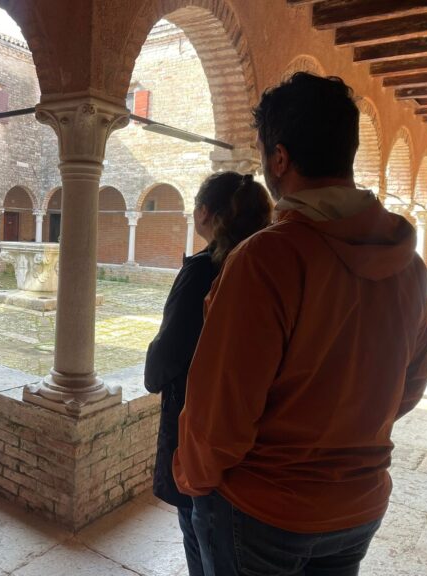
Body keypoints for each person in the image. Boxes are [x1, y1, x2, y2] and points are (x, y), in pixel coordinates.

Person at [173, 72, 427, 575]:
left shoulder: (267, 258)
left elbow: (220, 411)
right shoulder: (409, 265)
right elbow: (410, 384)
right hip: (357, 504)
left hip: (262, 511)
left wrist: (193, 479)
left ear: (280, 158)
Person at [145, 172, 272, 576]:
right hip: (260, 442)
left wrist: (152, 373)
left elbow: (168, 352)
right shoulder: (271, 264)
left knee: (202, 536)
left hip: (201, 430)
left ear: (203, 213)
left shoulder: (203, 270)